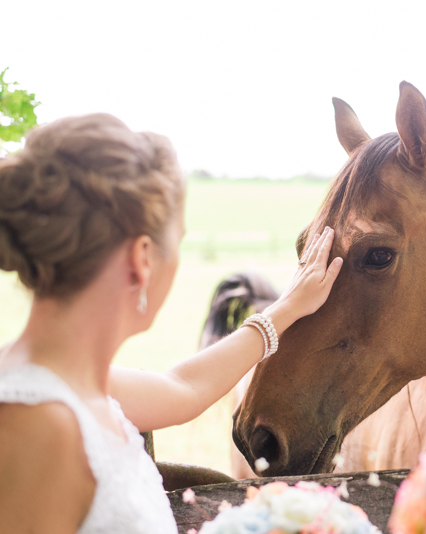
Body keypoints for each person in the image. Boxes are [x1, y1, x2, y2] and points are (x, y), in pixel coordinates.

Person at [0, 113, 343, 533]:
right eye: (178, 241)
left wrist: (287, 308)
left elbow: (185, 388)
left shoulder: (66, 383)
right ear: (142, 259)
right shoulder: (36, 424)